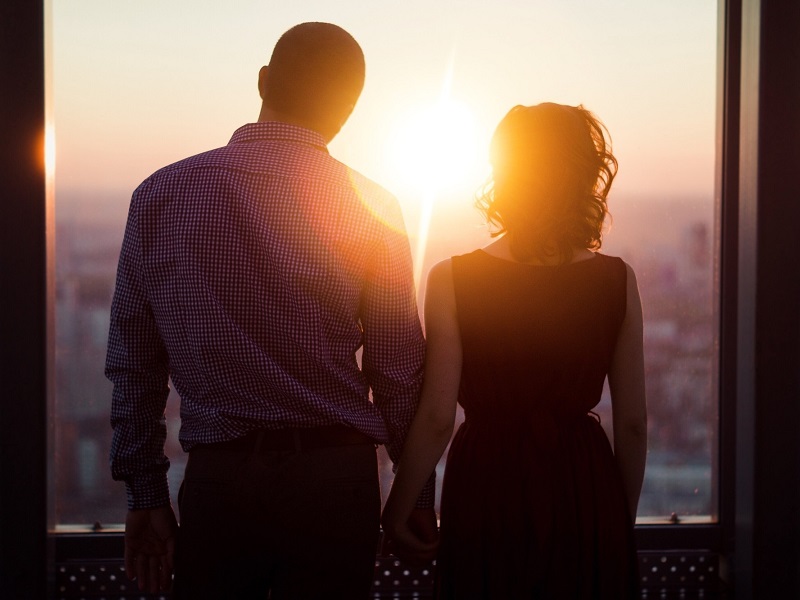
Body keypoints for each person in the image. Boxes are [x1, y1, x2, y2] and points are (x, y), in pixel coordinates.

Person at [105, 22, 436, 599]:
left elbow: (134, 362)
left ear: (263, 80)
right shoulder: (370, 207)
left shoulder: (160, 194)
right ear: (348, 109)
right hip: (336, 486)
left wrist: (145, 494)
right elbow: (398, 374)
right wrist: (414, 500)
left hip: (221, 483)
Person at [382, 102, 647, 598]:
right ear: (585, 176)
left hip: (489, 478)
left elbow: (439, 415)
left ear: (503, 174)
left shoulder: (452, 277)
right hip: (581, 481)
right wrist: (614, 517)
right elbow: (632, 423)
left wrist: (398, 509)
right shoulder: (617, 280)